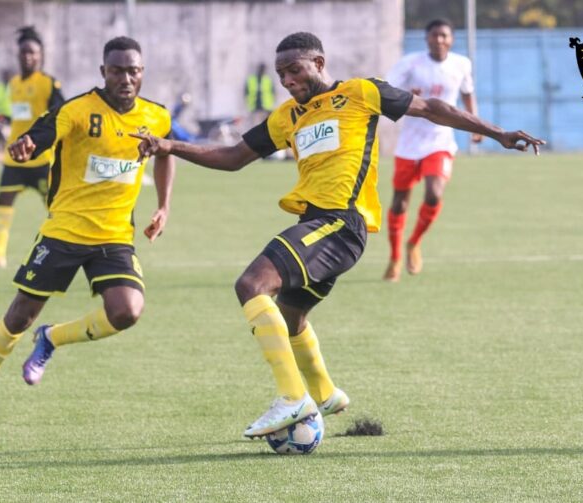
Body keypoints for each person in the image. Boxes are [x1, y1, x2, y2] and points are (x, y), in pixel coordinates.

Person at [132, 32, 544, 438]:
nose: (287, 80)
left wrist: (498, 133)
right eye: (281, 74)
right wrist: (170, 147)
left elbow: (432, 108)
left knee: (251, 285)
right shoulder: (286, 116)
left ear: (319, 63)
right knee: (290, 317)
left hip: (341, 224)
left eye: (294, 70)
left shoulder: (360, 93)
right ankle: (326, 394)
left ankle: (292, 398)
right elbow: (233, 156)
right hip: (316, 225)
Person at [0, 36, 175, 422]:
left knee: (127, 311)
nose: (126, 79)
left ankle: (51, 338)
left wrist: (163, 205)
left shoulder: (157, 115)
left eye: (133, 71)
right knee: (19, 317)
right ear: (103, 72)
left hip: (114, 236)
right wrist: (28, 143)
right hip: (64, 232)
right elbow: (43, 133)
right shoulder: (77, 110)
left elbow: (165, 152)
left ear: (143, 72)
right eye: (117, 71)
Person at [383, 19, 482, 281]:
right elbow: (386, 89)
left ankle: (414, 242)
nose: (439, 40)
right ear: (426, 38)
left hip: (440, 141)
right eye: (435, 35)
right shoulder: (410, 63)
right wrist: (406, 93)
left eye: (444, 35)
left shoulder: (461, 64)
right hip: (409, 143)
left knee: (434, 193)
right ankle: (394, 257)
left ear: (451, 39)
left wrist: (476, 125)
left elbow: (468, 94)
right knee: (399, 203)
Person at [0, 27, 65, 269]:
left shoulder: (49, 83)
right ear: (18, 55)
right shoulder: (12, 83)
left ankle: (65, 250)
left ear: (41, 55)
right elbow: (16, 115)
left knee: (57, 207)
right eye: (24, 52)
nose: (28, 57)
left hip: (41, 159)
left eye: (33, 52)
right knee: (3, 200)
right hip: (14, 157)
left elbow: (62, 114)